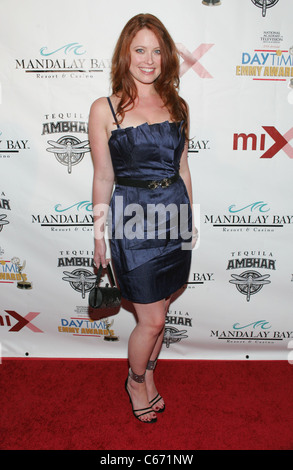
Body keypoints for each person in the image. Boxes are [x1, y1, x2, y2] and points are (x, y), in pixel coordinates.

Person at [89, 13, 197, 423]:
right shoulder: (105, 109)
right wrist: (100, 238)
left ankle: (149, 375)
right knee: (150, 321)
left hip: (175, 216)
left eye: (156, 51)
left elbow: (183, 169)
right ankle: (135, 381)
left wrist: (190, 218)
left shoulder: (177, 105)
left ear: (166, 57)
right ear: (125, 54)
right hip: (131, 222)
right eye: (140, 50)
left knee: (162, 312)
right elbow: (103, 176)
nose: (148, 60)